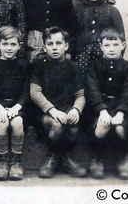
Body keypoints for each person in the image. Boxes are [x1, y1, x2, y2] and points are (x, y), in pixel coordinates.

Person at [30, 27, 86, 178]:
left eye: (58, 43)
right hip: (45, 113)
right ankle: (54, 158)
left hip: (67, 109)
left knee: (73, 127)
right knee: (57, 125)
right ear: (44, 47)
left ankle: (65, 157)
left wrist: (75, 109)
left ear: (66, 46)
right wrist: (52, 111)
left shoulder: (74, 67)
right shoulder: (39, 64)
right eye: (50, 44)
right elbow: (35, 92)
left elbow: (80, 95)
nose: (54, 47)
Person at [85, 28, 128, 180]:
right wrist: (102, 111)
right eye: (107, 45)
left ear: (123, 45)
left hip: (122, 108)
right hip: (100, 108)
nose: (111, 49)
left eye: (115, 45)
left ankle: (123, 158)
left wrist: (121, 112)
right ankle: (98, 158)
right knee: (100, 127)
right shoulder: (93, 66)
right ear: (101, 46)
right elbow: (92, 89)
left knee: (121, 129)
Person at [0, 26, 30, 181]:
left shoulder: (24, 65)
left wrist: (17, 107)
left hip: (18, 107)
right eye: (5, 44)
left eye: (13, 44)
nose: (9, 48)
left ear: (19, 45)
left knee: (17, 122)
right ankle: (2, 161)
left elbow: (26, 91)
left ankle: (16, 161)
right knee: (2, 122)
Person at [74, 0, 124, 73]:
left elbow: (120, 38)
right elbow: (70, 34)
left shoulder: (112, 11)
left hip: (105, 59)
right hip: (80, 59)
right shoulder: (76, 10)